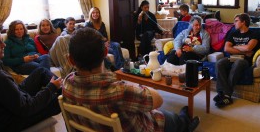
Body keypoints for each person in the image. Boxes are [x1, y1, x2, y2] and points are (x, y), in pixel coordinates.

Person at [63, 27, 200, 132]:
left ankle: (185, 119)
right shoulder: (120, 91)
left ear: (71, 60)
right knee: (170, 117)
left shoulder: (67, 84)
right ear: (105, 53)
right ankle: (185, 123)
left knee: (166, 114)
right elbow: (158, 99)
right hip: (145, 126)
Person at [0, 21, 62, 132]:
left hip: (12, 104)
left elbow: (12, 96)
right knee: (60, 99)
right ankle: (71, 93)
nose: (3, 45)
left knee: (41, 71)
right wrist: (51, 88)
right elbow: (28, 108)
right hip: (14, 120)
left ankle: (64, 88)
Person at [214, 13, 258, 108]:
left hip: (245, 60)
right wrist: (243, 50)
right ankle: (224, 94)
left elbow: (249, 47)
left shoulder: (253, 34)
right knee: (219, 63)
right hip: (232, 57)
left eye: (236, 21)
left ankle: (225, 95)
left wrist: (235, 47)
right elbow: (227, 49)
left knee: (238, 63)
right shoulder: (233, 33)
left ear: (243, 22)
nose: (234, 23)